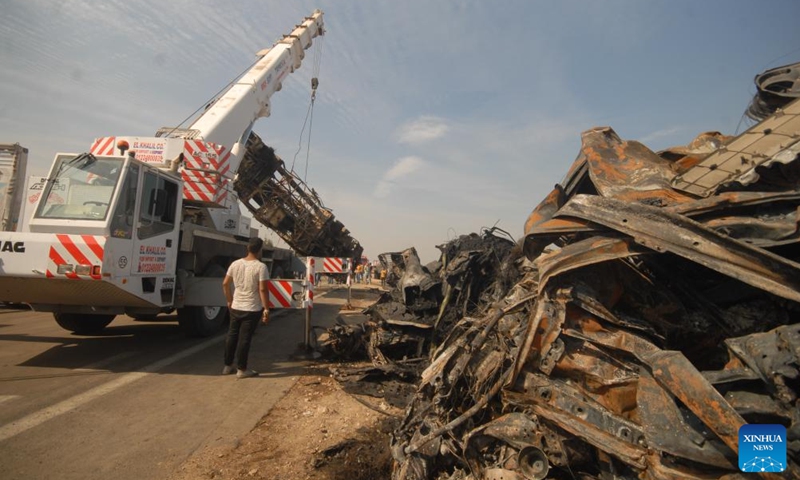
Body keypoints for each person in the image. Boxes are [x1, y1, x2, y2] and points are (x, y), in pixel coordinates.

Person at [222, 237, 270, 379]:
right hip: (252, 308)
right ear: (260, 250)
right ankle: (242, 369)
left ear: (247, 248)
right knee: (245, 339)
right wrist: (266, 308)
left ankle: (227, 366)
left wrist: (229, 300)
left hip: (236, 306)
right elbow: (262, 289)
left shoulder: (235, 264)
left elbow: (225, 284)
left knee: (232, 335)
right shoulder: (261, 267)